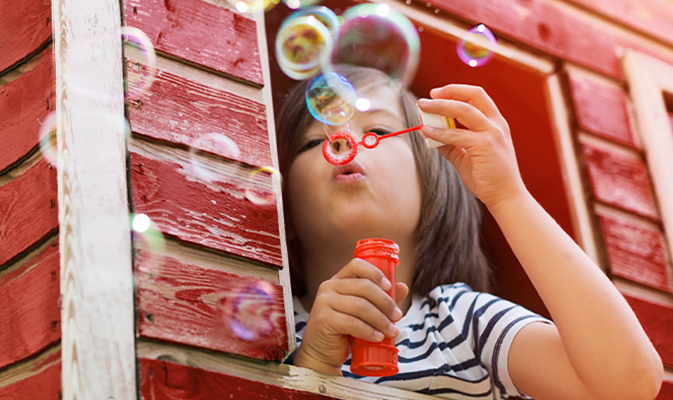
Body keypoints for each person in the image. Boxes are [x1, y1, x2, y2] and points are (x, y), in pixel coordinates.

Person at [276, 66, 663, 399]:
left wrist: (508, 196)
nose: (341, 142)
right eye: (314, 141)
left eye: (376, 128)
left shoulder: (462, 324)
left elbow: (625, 383)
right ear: (285, 211)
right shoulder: (277, 331)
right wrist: (312, 365)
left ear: (432, 188)